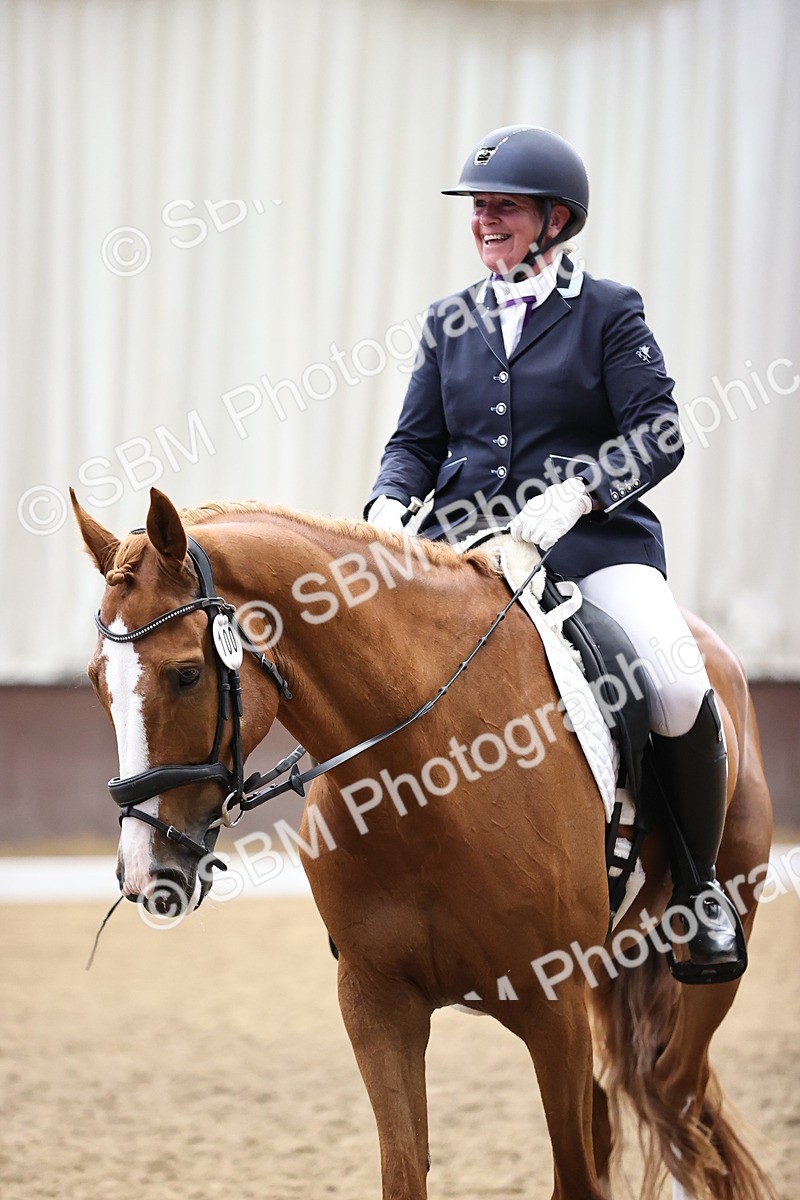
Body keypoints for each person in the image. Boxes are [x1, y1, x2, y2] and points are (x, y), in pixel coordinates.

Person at [364, 125, 746, 984]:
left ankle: (697, 888)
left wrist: (578, 493)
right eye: (478, 209)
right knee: (361, 663)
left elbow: (658, 431)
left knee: (679, 682)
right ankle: (370, 883)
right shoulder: (447, 321)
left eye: (503, 207)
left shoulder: (610, 310)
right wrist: (389, 502)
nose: (485, 221)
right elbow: (414, 443)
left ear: (555, 218)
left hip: (592, 543)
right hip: (465, 547)